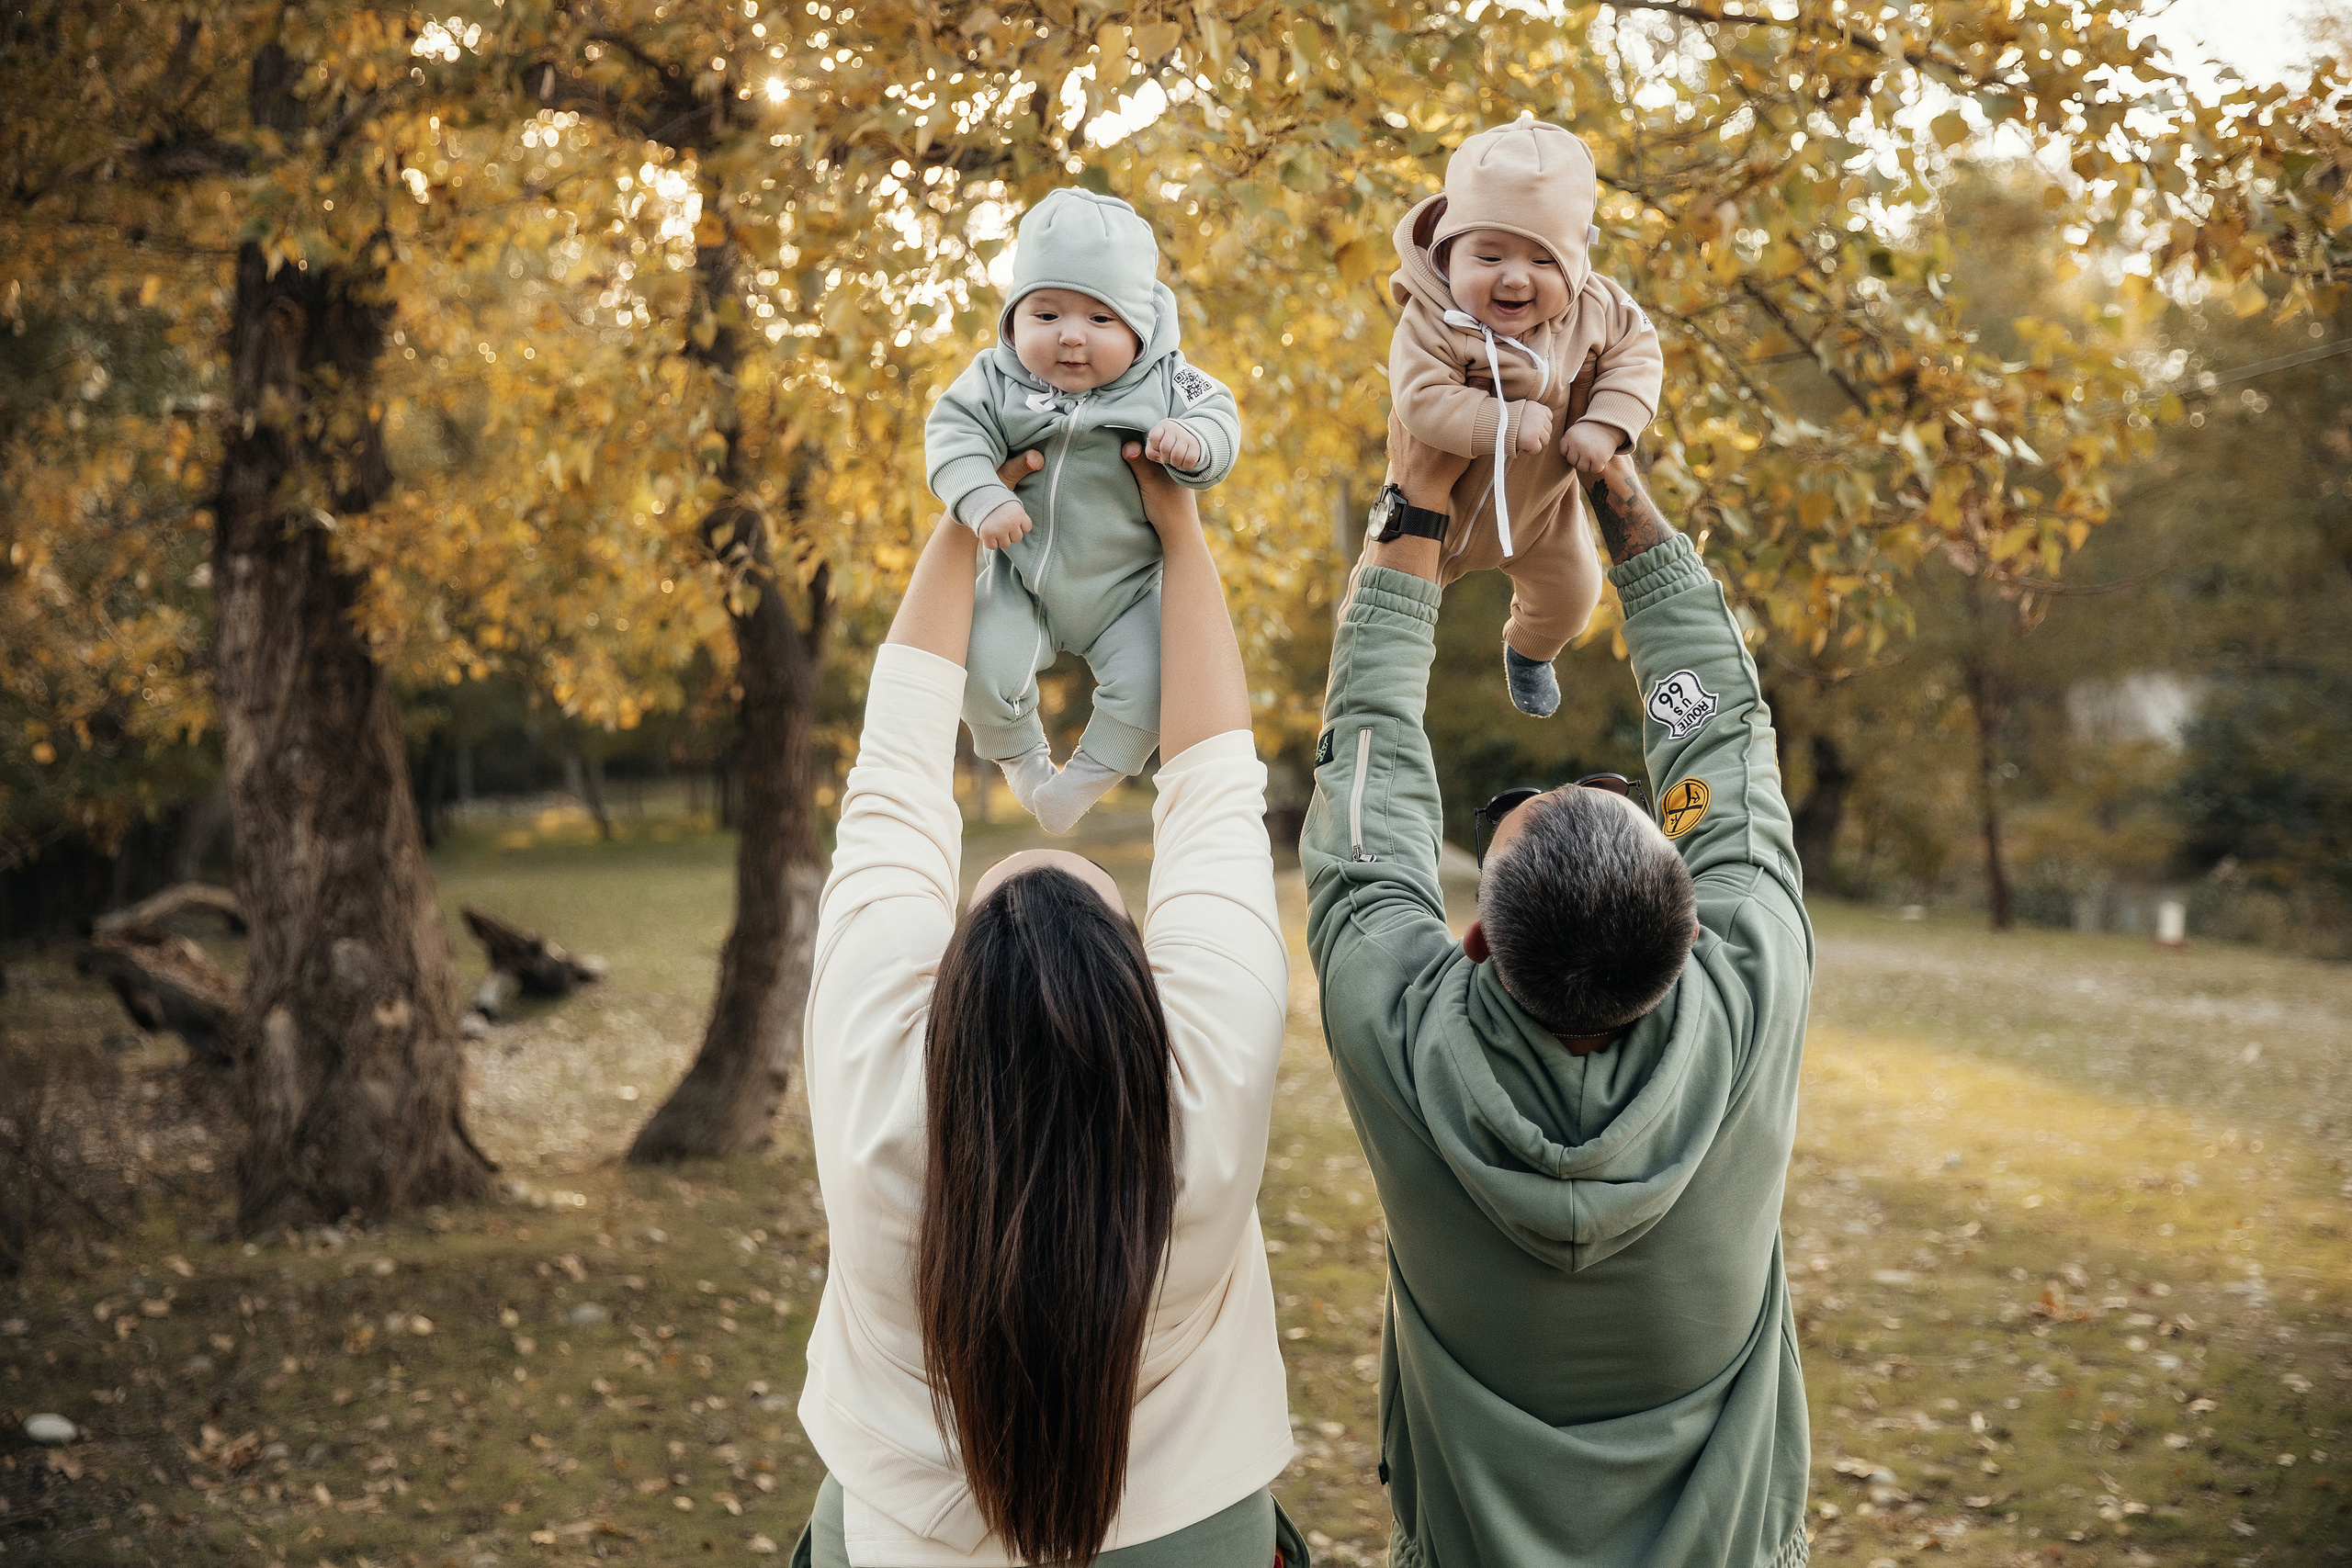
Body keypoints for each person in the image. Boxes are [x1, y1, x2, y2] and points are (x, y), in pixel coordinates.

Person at [794, 444, 1306, 1567]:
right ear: (1143, 996)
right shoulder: (1205, 1077)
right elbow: (1215, 783)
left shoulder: (876, 1071)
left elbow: (894, 770)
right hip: (1190, 1535)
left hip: (894, 1540)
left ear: (942, 993)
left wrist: (965, 516)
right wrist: (1178, 536)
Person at [1303, 447, 1813, 1567]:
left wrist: (1415, 499)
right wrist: (1612, 484)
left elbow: (1368, 768)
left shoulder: (1398, 1030)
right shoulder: (1751, 987)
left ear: (1478, 940)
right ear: (1689, 927)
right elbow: (1719, 735)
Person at [925, 187, 1242, 834]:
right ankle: (1022, 762)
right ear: (1013, 319)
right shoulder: (993, 379)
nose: (1071, 335)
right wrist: (983, 495)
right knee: (977, 666)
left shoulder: (1169, 379)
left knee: (1158, 683)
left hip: (1127, 590)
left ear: (1140, 328)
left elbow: (1219, 413)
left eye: (1101, 319)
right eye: (1046, 314)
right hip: (1022, 583)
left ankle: (1086, 781)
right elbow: (952, 434)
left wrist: (1195, 443)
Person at [1382, 115, 1663, 718]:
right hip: (1436, 512)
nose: (1514, 277)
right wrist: (1500, 422)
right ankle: (1379, 686)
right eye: (1488, 255)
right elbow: (1420, 397)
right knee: (1385, 597)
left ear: (1576, 263)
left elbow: (1639, 356)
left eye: (1543, 260)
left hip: (1541, 511)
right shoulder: (1431, 319)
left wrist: (1607, 422)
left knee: (1575, 595)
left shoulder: (1599, 309)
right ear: (1448, 251)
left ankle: (1529, 652)